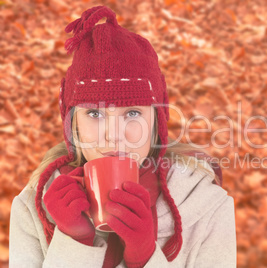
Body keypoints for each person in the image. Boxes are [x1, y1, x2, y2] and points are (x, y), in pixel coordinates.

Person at [8, 5, 236, 268]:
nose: (114, 136)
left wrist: (145, 257)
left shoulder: (208, 206)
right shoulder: (33, 209)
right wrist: (74, 242)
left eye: (132, 113)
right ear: (74, 125)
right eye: (94, 113)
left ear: (156, 122)